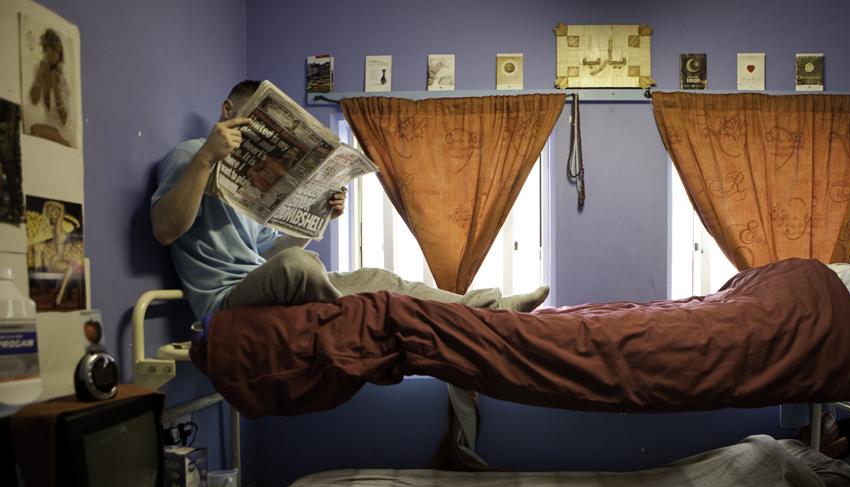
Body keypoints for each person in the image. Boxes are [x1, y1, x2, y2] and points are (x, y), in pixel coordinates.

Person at [151, 80, 549, 320]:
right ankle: (347, 316)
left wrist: (316, 214)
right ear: (227, 110)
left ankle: (492, 307)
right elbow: (165, 230)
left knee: (380, 278)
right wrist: (207, 158)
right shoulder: (190, 155)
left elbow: (267, 256)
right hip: (224, 301)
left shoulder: (254, 176)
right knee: (301, 266)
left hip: (265, 281)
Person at [27, 29, 72, 147]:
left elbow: (64, 119)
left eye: (58, 52)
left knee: (34, 129)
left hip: (62, 131)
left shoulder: (61, 80)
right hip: (49, 126)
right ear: (45, 48)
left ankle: (65, 143)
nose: (56, 56)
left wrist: (55, 86)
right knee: (31, 130)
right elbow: (34, 100)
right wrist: (39, 76)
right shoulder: (38, 68)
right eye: (53, 49)